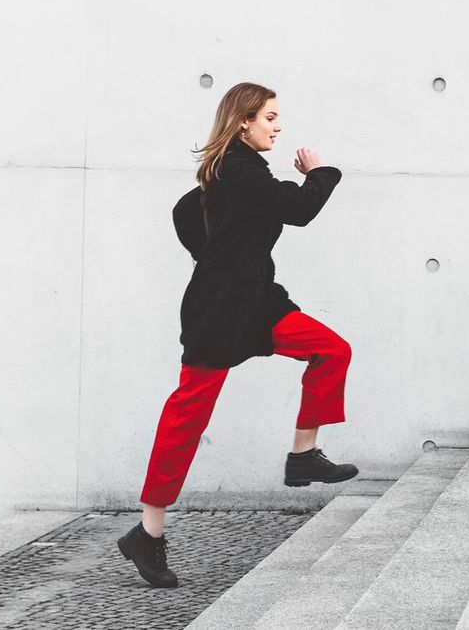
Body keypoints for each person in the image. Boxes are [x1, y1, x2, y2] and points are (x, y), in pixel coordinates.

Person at [118, 81, 359, 588]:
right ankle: (148, 534)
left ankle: (302, 456)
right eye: (270, 117)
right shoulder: (237, 168)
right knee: (187, 417)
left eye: (276, 117)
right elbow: (298, 210)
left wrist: (217, 256)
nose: (278, 126)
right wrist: (321, 173)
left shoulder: (232, 172)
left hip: (255, 302)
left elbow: (187, 213)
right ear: (244, 121)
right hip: (220, 312)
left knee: (331, 350)